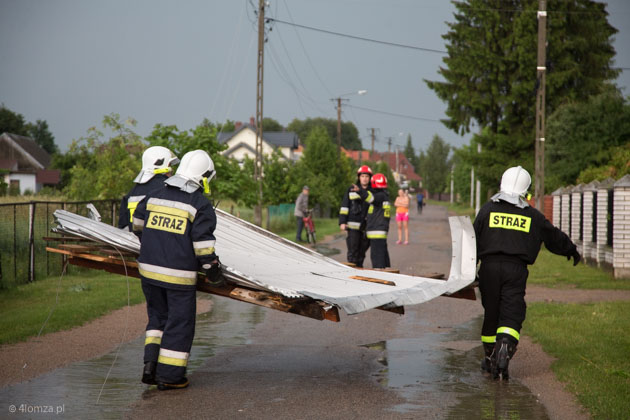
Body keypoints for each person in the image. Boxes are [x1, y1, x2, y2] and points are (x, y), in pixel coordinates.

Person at [473, 166, 581, 380]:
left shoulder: (487, 210)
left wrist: (469, 272)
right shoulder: (532, 216)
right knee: (512, 311)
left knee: (491, 313)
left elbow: (472, 240)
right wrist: (571, 250)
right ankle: (506, 346)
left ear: (502, 184)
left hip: (489, 269)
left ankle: (490, 357)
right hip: (516, 270)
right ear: (525, 190)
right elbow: (553, 237)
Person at [132, 150, 222, 391]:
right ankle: (170, 376)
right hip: (178, 276)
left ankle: (150, 366)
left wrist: (154, 243)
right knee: (179, 323)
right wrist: (211, 267)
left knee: (157, 319)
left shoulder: (154, 193)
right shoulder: (199, 204)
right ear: (203, 177)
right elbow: (203, 245)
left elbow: (137, 224)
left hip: (148, 272)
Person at [118, 146, 179, 231]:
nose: (171, 170)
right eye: (170, 165)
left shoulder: (132, 193)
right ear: (163, 165)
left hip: (134, 242)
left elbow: (123, 227)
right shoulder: (169, 189)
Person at [339, 165, 373, 267]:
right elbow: (345, 206)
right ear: (359, 177)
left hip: (366, 227)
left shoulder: (372, 192)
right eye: (362, 176)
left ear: (370, 178)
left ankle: (359, 270)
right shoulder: (351, 189)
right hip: (352, 227)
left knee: (361, 253)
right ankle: (351, 274)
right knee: (352, 252)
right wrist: (342, 222)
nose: (365, 178)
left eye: (367, 176)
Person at [366, 173, 391, 269]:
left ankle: (380, 276)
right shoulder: (385, 196)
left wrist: (361, 191)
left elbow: (370, 198)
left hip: (376, 230)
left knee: (377, 258)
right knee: (383, 255)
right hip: (381, 229)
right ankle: (387, 270)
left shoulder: (379, 196)